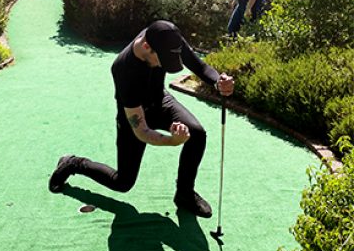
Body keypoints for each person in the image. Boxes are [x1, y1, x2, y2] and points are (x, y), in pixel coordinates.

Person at [49, 20, 234, 218]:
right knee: (123, 183)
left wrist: (218, 82)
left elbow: (199, 65)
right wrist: (172, 141)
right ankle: (73, 163)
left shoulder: (167, 37)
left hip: (160, 101)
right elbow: (142, 130)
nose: (162, 66)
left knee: (197, 134)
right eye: (160, 61)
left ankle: (184, 194)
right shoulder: (123, 69)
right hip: (133, 117)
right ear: (146, 47)